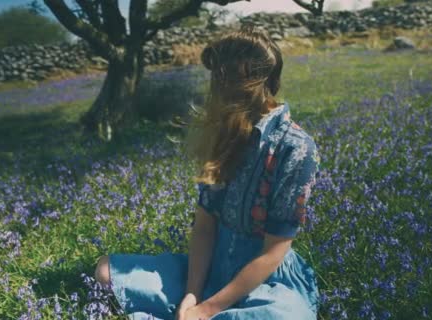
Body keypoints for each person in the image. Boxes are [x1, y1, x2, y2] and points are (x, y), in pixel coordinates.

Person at [93, 26, 321, 320]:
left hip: (265, 281)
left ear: (251, 82)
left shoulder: (295, 148)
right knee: (104, 272)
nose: (215, 88)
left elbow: (273, 253)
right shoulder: (224, 134)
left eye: (223, 78)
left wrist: (206, 310)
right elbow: (204, 229)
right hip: (211, 268)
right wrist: (192, 295)